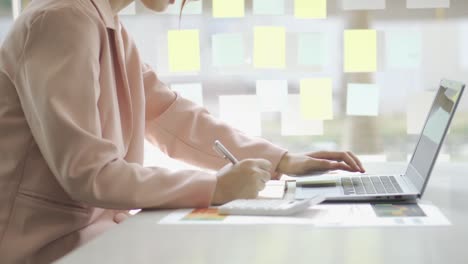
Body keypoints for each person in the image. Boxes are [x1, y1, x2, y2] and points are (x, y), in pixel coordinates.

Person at [0, 0, 365, 263]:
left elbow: (169, 115)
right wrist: (216, 188)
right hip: (42, 248)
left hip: (96, 236)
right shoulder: (61, 21)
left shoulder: (103, 23)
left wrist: (280, 160)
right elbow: (88, 173)